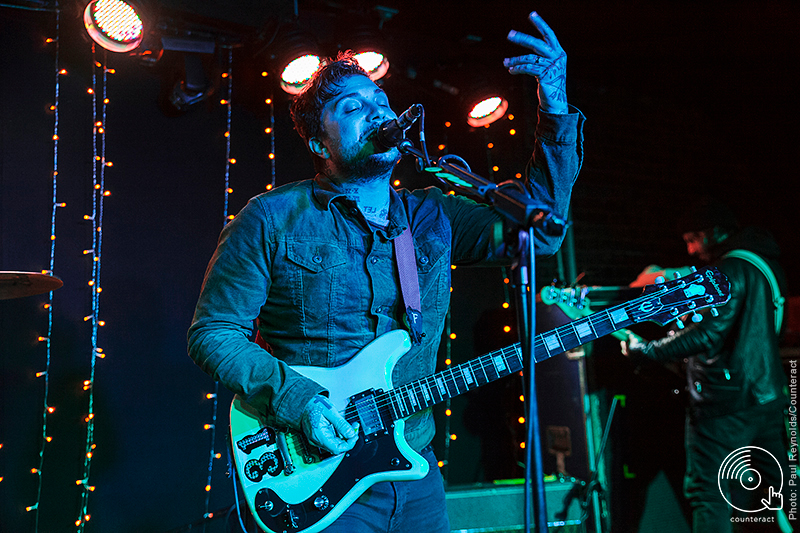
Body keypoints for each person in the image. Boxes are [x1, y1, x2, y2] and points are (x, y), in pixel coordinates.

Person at [188, 11, 584, 532]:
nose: (377, 112)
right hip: (315, 470)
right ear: (317, 143)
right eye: (353, 107)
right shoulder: (271, 218)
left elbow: (544, 229)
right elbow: (213, 334)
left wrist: (554, 104)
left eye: (380, 102)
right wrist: (299, 402)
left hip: (414, 474)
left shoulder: (431, 216)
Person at [623, 198, 790, 533]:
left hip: (724, 403)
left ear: (714, 233)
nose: (689, 249)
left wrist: (647, 349)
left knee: (709, 495)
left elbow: (706, 333)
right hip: (768, 396)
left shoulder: (727, 270)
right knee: (772, 497)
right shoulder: (763, 263)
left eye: (693, 239)